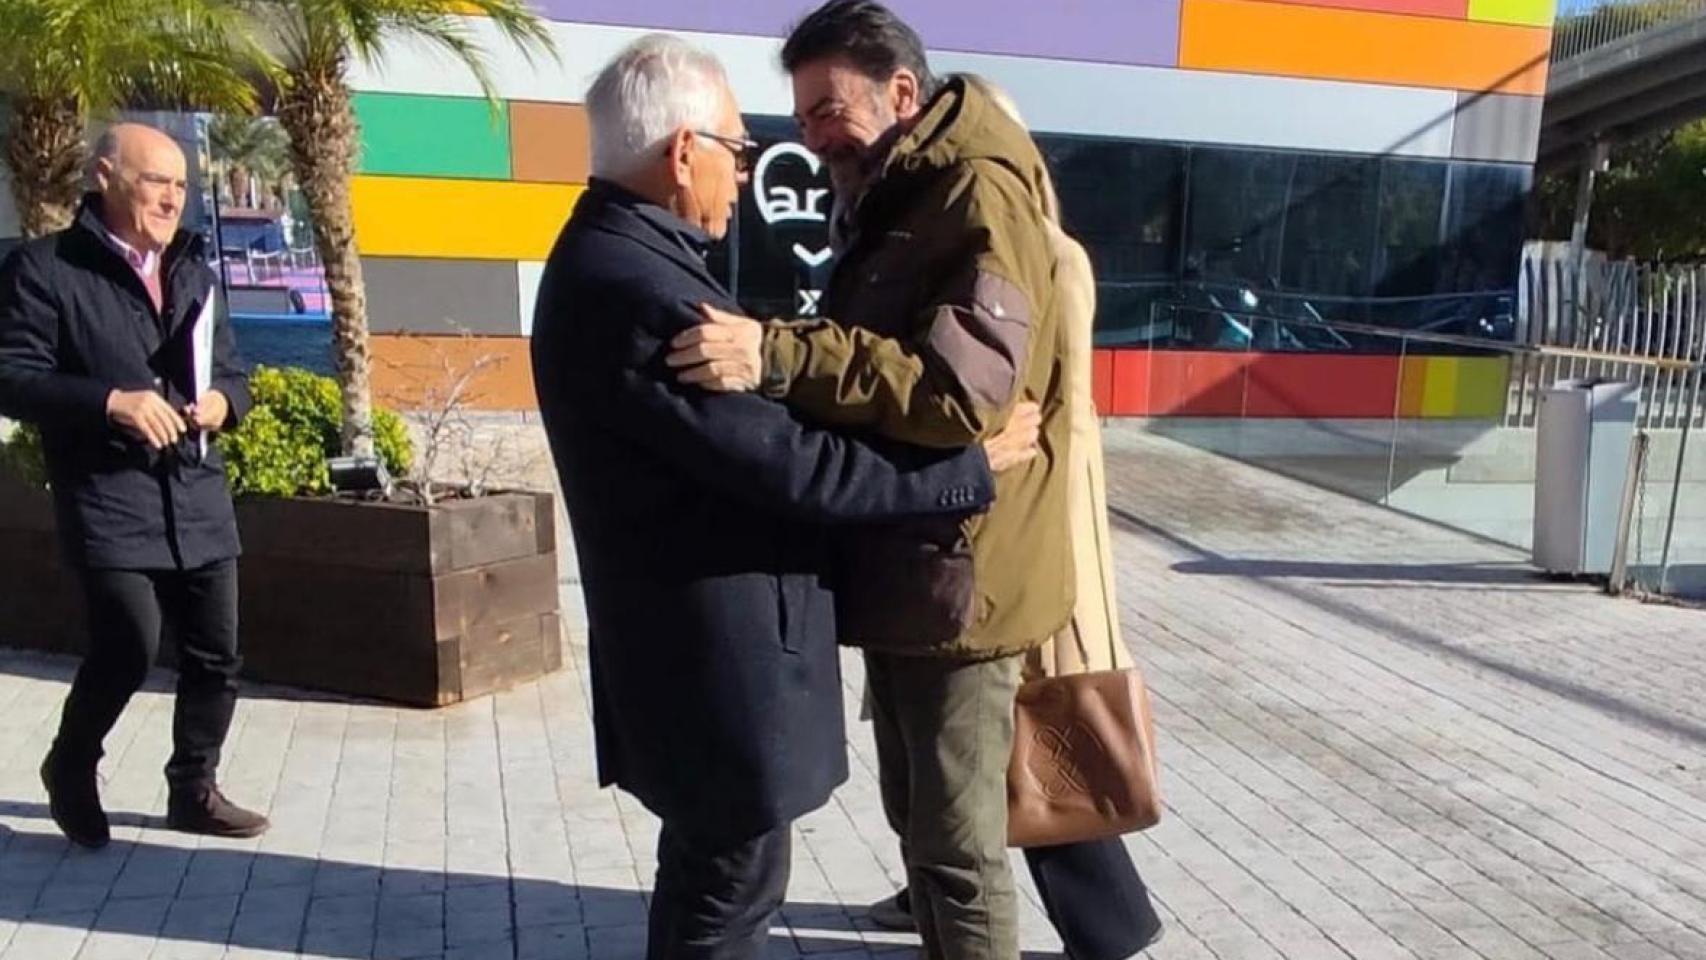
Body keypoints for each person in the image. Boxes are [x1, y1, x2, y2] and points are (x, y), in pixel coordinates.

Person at [529, 35, 1040, 960]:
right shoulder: (642, 290)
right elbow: (797, 467)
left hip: (692, 657)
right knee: (727, 896)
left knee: (717, 880)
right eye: (739, 149)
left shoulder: (617, 255)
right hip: (713, 666)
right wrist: (969, 468)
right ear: (685, 152)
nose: (746, 171)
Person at [670, 3, 1072, 956]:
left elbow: (957, 394)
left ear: (901, 92)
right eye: (802, 116)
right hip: (917, 570)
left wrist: (778, 355)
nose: (813, 137)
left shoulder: (974, 194)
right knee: (922, 826)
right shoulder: (898, 191)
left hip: (964, 581)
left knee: (959, 851)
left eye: (828, 110)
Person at [864, 77, 1167, 960]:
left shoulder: (1048, 256)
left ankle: (1109, 926)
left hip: (1031, 523)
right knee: (989, 747)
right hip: (994, 527)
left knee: (1041, 733)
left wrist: (1053, 545)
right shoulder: (994, 241)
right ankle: (956, 889)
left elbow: (1057, 415)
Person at [0, 122, 268, 848]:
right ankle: (71, 763)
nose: (172, 198)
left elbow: (233, 371)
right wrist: (109, 402)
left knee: (216, 655)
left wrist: (225, 403)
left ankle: (194, 788)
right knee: (128, 645)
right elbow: (13, 377)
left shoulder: (195, 270)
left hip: (196, 491)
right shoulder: (44, 269)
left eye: (181, 185)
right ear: (105, 177)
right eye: (156, 181)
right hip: (107, 496)